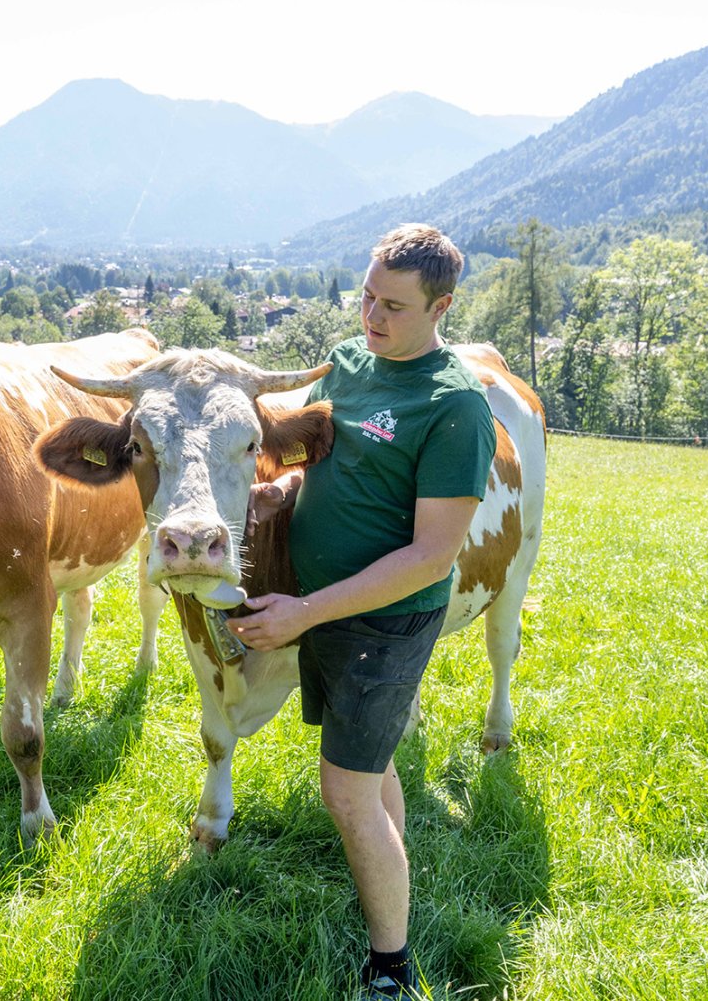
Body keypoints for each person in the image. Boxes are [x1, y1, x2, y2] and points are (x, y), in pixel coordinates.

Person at [231, 224, 496, 1000]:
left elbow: (430, 556)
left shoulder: (453, 408)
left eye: (393, 306)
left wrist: (306, 611)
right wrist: (275, 494)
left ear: (441, 307)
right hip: (322, 607)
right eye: (366, 296)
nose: (370, 317)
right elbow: (312, 460)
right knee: (368, 772)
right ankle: (391, 875)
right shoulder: (349, 364)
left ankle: (391, 968)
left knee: (343, 790)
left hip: (382, 623)